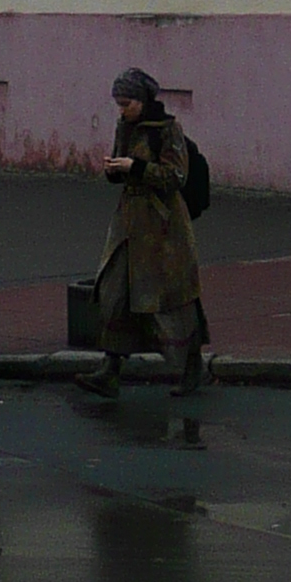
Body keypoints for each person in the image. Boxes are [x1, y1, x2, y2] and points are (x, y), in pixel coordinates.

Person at [86, 67, 207, 398]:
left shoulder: (167, 129)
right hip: (129, 222)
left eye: (127, 103)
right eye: (119, 104)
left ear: (143, 100)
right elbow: (123, 171)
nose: (122, 110)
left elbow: (174, 176)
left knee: (169, 300)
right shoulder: (125, 126)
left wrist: (135, 167)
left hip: (163, 226)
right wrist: (114, 169)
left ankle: (191, 367)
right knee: (114, 292)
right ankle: (110, 369)